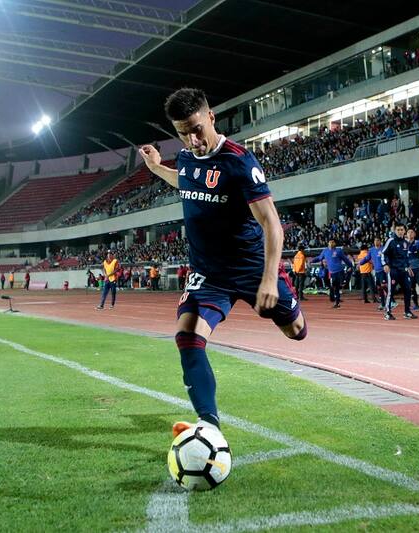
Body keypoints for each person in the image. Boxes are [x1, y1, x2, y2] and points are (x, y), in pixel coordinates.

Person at [137, 87, 307, 436]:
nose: (192, 139)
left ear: (211, 116)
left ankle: (287, 304)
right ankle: (208, 424)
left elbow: (272, 224)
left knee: (296, 332)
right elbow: (183, 180)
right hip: (208, 273)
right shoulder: (186, 159)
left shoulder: (238, 161)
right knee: (187, 335)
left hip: (251, 268)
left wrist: (269, 278)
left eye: (196, 128)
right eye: (182, 132)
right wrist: (156, 168)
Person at [380, 224, 417, 320]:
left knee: (408, 290)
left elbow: (406, 257)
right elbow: (383, 253)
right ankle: (387, 313)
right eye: (398, 230)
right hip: (393, 270)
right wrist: (385, 265)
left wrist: (408, 267)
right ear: (395, 231)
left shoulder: (406, 242)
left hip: (404, 271)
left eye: (402, 229)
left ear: (404, 231)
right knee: (391, 291)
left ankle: (407, 311)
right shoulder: (391, 241)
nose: (400, 231)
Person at [311, 238, 353, 308]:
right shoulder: (325, 251)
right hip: (332, 273)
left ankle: (345, 281)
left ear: (335, 243)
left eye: (332, 242)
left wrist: (350, 266)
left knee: (341, 285)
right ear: (328, 243)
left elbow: (345, 259)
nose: (331, 243)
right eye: (330, 242)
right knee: (335, 287)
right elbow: (319, 258)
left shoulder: (338, 251)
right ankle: (337, 302)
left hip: (340, 271)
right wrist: (312, 261)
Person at [359, 237, 386, 310]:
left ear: (380, 241)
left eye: (377, 240)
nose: (376, 242)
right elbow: (367, 258)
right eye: (375, 240)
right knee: (379, 288)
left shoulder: (384, 248)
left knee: (384, 286)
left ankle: (391, 301)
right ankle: (383, 304)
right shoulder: (371, 250)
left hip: (383, 271)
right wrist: (361, 262)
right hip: (377, 271)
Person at [406, 228, 419, 311]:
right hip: (410, 269)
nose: (410, 233)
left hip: (418, 267)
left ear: (415, 234)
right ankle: (416, 305)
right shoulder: (404, 244)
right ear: (406, 234)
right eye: (408, 232)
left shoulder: (418, 243)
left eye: (412, 232)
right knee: (411, 287)